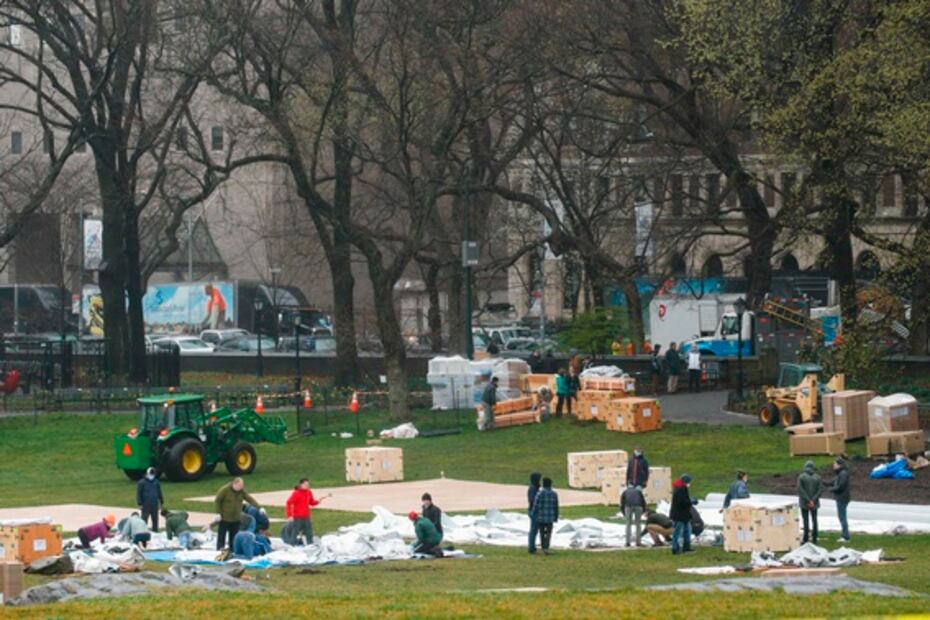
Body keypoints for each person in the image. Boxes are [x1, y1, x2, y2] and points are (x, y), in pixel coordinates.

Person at [214, 477, 261, 550]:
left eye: (242, 486)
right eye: (240, 486)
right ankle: (220, 548)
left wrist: (259, 507)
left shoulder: (241, 491)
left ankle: (232, 549)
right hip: (225, 517)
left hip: (236, 518)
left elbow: (250, 499)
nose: (241, 488)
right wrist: (218, 513)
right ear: (235, 484)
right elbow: (217, 500)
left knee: (234, 536)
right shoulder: (225, 490)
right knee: (221, 535)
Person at [285, 478, 330, 546]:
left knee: (309, 533)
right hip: (298, 517)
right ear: (301, 485)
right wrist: (290, 515)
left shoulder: (309, 492)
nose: (307, 486)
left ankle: (310, 546)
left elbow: (311, 502)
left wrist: (318, 501)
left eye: (308, 485)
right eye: (305, 485)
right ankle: (291, 547)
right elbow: (289, 503)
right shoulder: (296, 493)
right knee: (295, 533)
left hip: (306, 517)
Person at [531, 477, 559, 555]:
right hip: (550, 517)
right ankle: (547, 547)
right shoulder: (554, 494)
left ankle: (543, 547)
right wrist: (556, 516)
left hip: (541, 517)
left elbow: (535, 504)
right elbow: (556, 506)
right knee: (549, 533)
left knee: (542, 533)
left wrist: (533, 513)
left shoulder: (540, 493)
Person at [797, 460, 823, 544]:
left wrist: (807, 500)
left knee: (806, 520)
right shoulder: (818, 477)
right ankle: (815, 538)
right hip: (815, 503)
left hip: (804, 503)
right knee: (814, 520)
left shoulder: (801, 477)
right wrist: (813, 500)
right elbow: (820, 490)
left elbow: (800, 490)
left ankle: (805, 538)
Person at [670, 474, 695, 554]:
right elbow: (683, 502)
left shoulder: (678, 488)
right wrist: (691, 501)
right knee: (677, 532)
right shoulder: (681, 489)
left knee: (687, 531)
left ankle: (686, 547)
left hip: (683, 515)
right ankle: (675, 548)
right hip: (680, 515)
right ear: (686, 482)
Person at [136, 467, 164, 532]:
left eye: (153, 474)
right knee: (144, 519)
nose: (152, 476)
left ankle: (155, 531)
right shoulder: (141, 483)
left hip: (154, 504)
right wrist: (139, 503)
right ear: (147, 474)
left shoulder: (156, 482)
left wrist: (161, 501)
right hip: (145, 504)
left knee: (155, 519)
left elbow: (159, 492)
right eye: (151, 474)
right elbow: (138, 494)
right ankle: (143, 531)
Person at [830, 457, 851, 542]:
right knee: (842, 516)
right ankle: (844, 535)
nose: (833, 465)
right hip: (842, 497)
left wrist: (831, 489)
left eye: (834, 464)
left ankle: (845, 536)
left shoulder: (843, 474)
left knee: (842, 517)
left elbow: (841, 486)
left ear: (839, 465)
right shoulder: (840, 473)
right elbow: (833, 482)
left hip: (842, 497)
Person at [527, 472, 542, 554]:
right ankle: (531, 547)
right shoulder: (533, 488)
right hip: (534, 511)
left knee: (535, 530)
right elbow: (533, 500)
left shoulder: (535, 487)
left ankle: (532, 546)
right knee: (533, 530)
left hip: (534, 511)